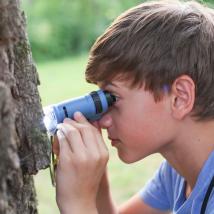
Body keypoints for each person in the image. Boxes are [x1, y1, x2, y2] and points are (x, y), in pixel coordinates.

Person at [53, 0, 214, 213]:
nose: (102, 119)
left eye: (112, 98)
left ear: (179, 97)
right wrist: (95, 182)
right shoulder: (178, 172)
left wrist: (77, 204)